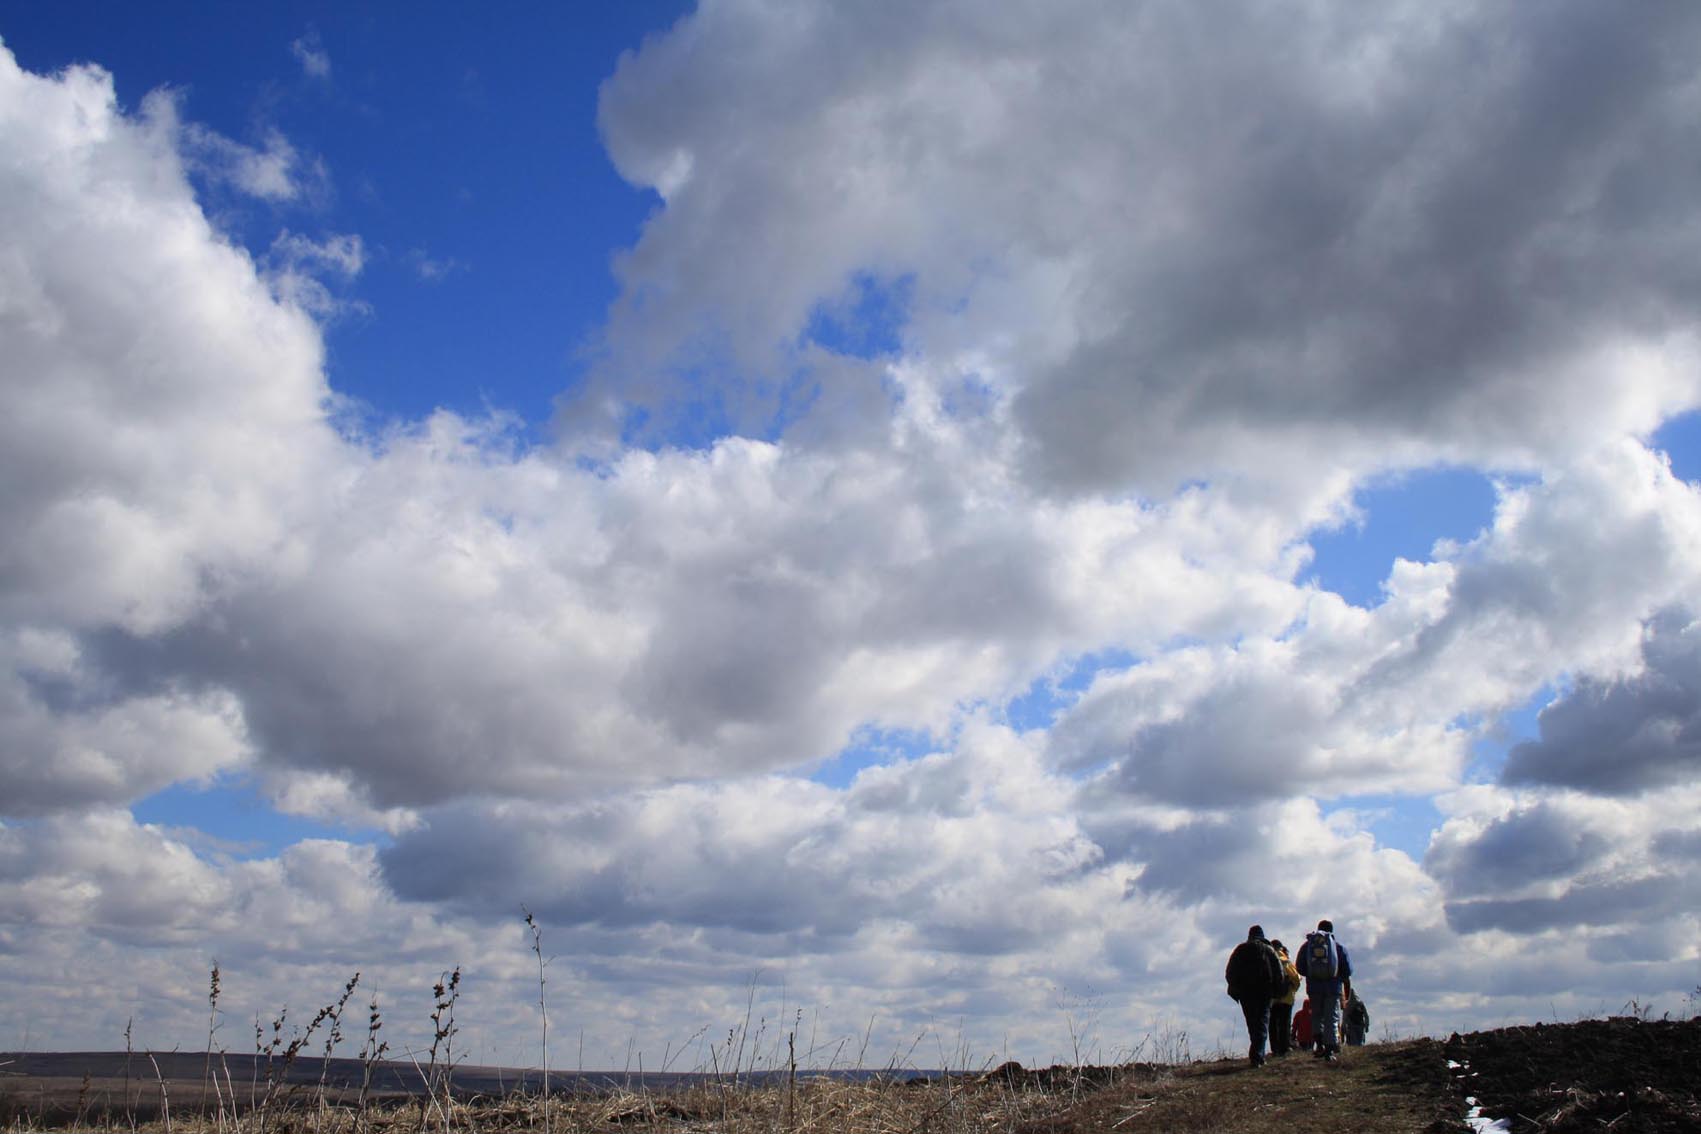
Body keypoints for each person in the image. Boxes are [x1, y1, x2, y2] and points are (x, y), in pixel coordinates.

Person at [1224, 924, 1284, 1067]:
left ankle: (1257, 1055)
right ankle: (1258, 1056)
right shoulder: (1268, 950)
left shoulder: (1240, 950)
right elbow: (1279, 972)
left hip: (1246, 993)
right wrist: (1277, 990)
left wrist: (1236, 988)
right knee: (1262, 1023)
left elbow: (1229, 973)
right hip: (1264, 992)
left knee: (1252, 1024)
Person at [1296, 918, 1353, 1062]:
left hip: (1314, 988)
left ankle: (1319, 1045)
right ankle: (1329, 1050)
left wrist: (1312, 974)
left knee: (1316, 1016)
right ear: (1331, 931)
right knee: (1331, 1018)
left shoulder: (1307, 946)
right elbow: (1348, 970)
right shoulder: (1338, 947)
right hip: (1333, 988)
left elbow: (1300, 967)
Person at [1267, 939, 1302, 1056]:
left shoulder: (1267, 960)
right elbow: (1296, 978)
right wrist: (1293, 989)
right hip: (1287, 998)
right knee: (1284, 1023)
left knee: (1272, 1024)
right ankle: (1284, 1047)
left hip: (1272, 998)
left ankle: (1275, 1048)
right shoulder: (1285, 961)